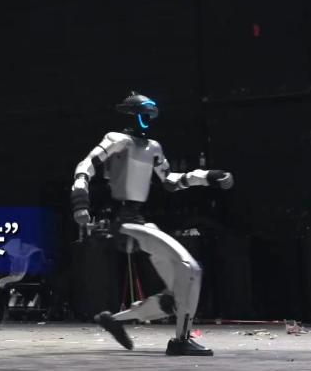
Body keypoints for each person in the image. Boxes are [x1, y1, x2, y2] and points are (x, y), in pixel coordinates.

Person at [71, 93, 234, 356]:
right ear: (132, 115)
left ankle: (114, 320)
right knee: (190, 269)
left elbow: (170, 181)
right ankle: (181, 341)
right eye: (144, 114)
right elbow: (85, 166)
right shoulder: (117, 140)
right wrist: (80, 201)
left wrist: (207, 176)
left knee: (176, 295)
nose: (148, 119)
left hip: (139, 222)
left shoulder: (153, 148)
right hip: (122, 222)